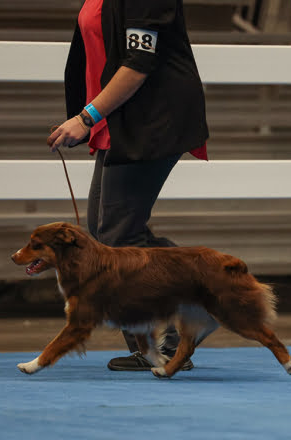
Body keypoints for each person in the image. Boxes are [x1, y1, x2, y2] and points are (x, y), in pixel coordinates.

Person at [47, 0, 209, 371]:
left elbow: (138, 65)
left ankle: (195, 313)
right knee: (105, 236)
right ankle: (161, 337)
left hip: (152, 122)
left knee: (118, 236)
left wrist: (87, 117)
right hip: (119, 123)